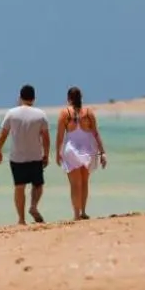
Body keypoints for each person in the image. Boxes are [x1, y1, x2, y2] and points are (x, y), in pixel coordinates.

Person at [0, 84, 50, 225]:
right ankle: (33, 206)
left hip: (17, 157)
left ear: (20, 97)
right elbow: (46, 138)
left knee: (19, 187)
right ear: (34, 98)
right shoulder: (41, 114)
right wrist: (46, 155)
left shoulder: (11, 113)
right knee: (38, 185)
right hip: (35, 156)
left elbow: (3, 135)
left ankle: (21, 219)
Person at [56, 87, 106, 221]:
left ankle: (76, 214)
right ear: (81, 98)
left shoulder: (64, 113)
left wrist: (57, 153)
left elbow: (60, 136)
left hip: (71, 150)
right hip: (88, 150)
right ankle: (83, 211)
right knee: (84, 182)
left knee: (75, 184)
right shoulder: (89, 113)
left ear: (68, 98)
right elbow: (95, 133)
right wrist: (103, 152)